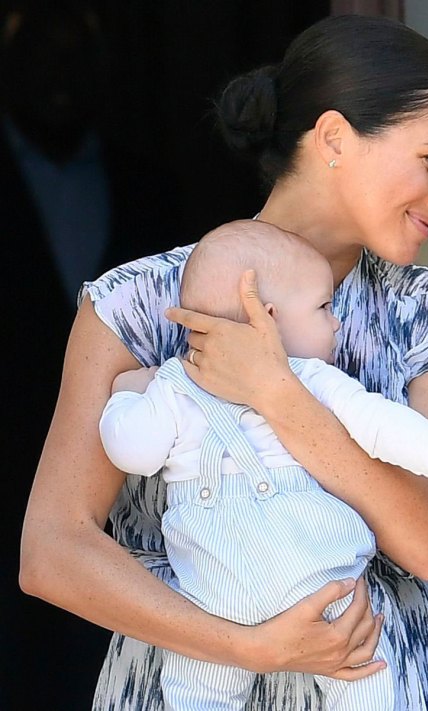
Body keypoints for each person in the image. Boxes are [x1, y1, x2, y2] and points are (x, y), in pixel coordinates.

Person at [21, 14, 428, 710]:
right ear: (334, 138)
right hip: (185, 682)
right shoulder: (138, 302)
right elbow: (52, 550)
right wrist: (251, 646)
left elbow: (427, 544)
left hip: (379, 678)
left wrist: (280, 393)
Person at [99, 219, 428, 709]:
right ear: (269, 316)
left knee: (212, 689)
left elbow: (387, 429)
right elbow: (386, 428)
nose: (336, 322)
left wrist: (123, 398)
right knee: (362, 678)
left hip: (244, 586)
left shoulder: (200, 384)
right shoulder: (191, 382)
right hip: (269, 586)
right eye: (323, 308)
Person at [1, 1, 180, 706]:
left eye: (73, 56)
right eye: (38, 55)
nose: (58, 76)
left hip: (124, 480)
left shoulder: (148, 187)